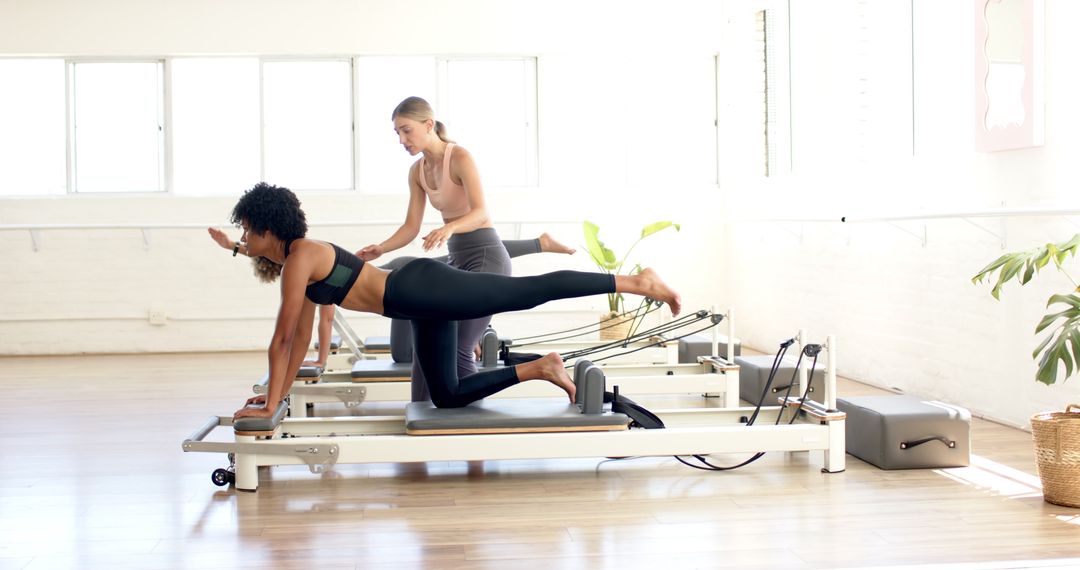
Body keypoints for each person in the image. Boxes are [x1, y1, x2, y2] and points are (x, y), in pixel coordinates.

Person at [227, 182, 680, 420]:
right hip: (417, 305)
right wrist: (276, 396)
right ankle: (542, 368)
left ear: (267, 228)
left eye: (247, 230)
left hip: (419, 288)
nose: (245, 239)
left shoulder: (301, 258)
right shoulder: (298, 262)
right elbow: (299, 339)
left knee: (525, 292)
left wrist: (270, 401)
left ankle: (636, 281)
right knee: (446, 395)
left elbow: (282, 339)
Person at [208, 228, 576, 370]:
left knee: (457, 270)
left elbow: (322, 322)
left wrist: (320, 360)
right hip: (400, 280)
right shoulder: (303, 267)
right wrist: (234, 247)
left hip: (402, 278)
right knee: (451, 271)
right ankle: (536, 245)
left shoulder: (307, 266)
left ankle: (537, 244)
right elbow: (264, 251)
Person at [356, 96, 521, 403]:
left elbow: (481, 212)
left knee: (459, 349)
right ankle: (418, 416)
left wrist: (449, 228)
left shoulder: (459, 157)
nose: (402, 140)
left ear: (429, 124)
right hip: (459, 263)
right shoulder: (417, 171)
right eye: (397, 133)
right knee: (428, 345)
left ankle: (473, 424)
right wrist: (381, 248)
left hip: (488, 260)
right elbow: (411, 227)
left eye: (407, 130)